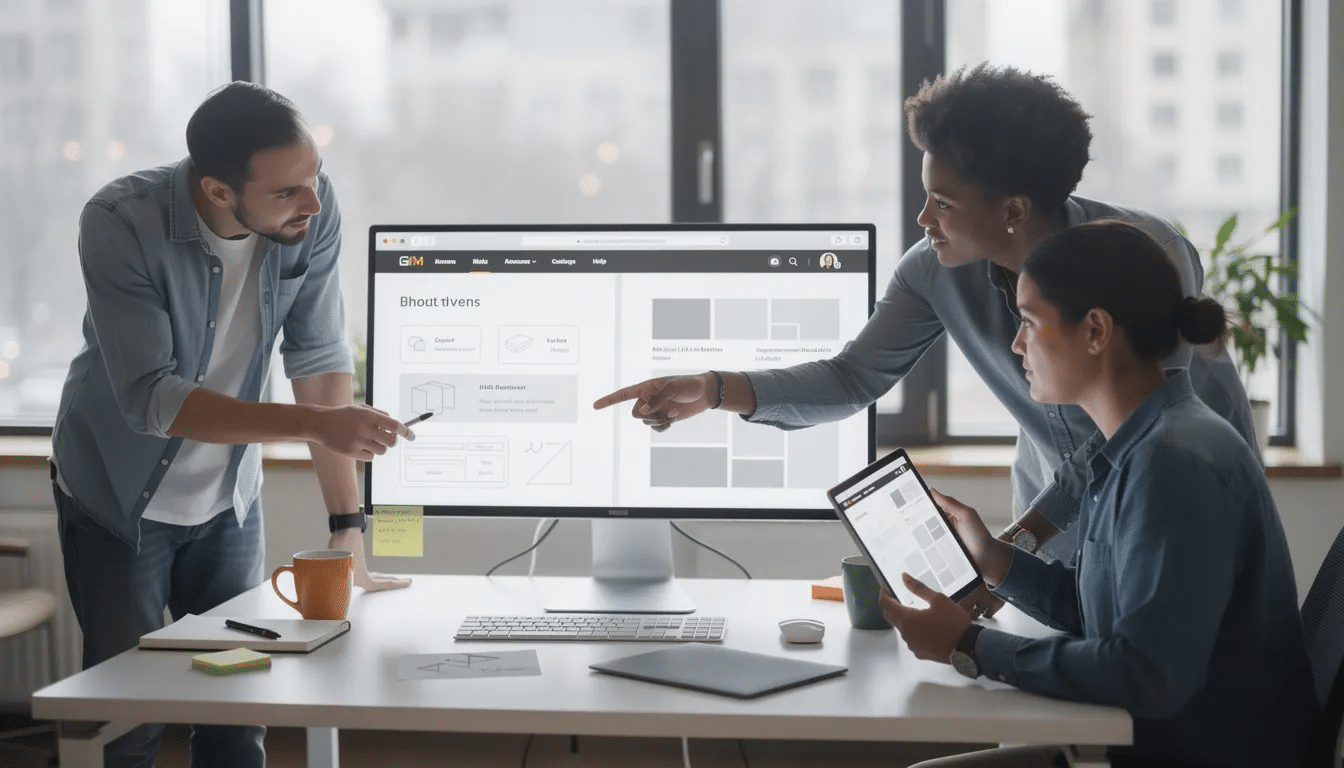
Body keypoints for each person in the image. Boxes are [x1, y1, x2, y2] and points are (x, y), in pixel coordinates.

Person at [592, 63, 1256, 593]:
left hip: (1173, 523)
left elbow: (1128, 443)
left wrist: (998, 560)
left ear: (1014, 210)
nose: (922, 219)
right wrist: (711, 389)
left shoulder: (1145, 256)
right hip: (1051, 541)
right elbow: (854, 377)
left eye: (941, 202)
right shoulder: (936, 269)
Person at [50, 82, 412, 768]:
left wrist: (347, 525)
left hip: (227, 499)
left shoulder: (312, 206)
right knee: (127, 722)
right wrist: (316, 423)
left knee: (239, 710)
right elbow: (151, 397)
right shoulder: (119, 220)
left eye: (314, 178)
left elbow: (320, 355)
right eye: (286, 192)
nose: (312, 202)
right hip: (118, 494)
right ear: (218, 191)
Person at [881, 220, 1316, 768]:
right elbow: (1103, 617)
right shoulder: (1135, 445)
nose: (1016, 342)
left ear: (1095, 331)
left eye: (1030, 322)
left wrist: (967, 644)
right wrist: (994, 559)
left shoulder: (1174, 464)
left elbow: (1147, 675)